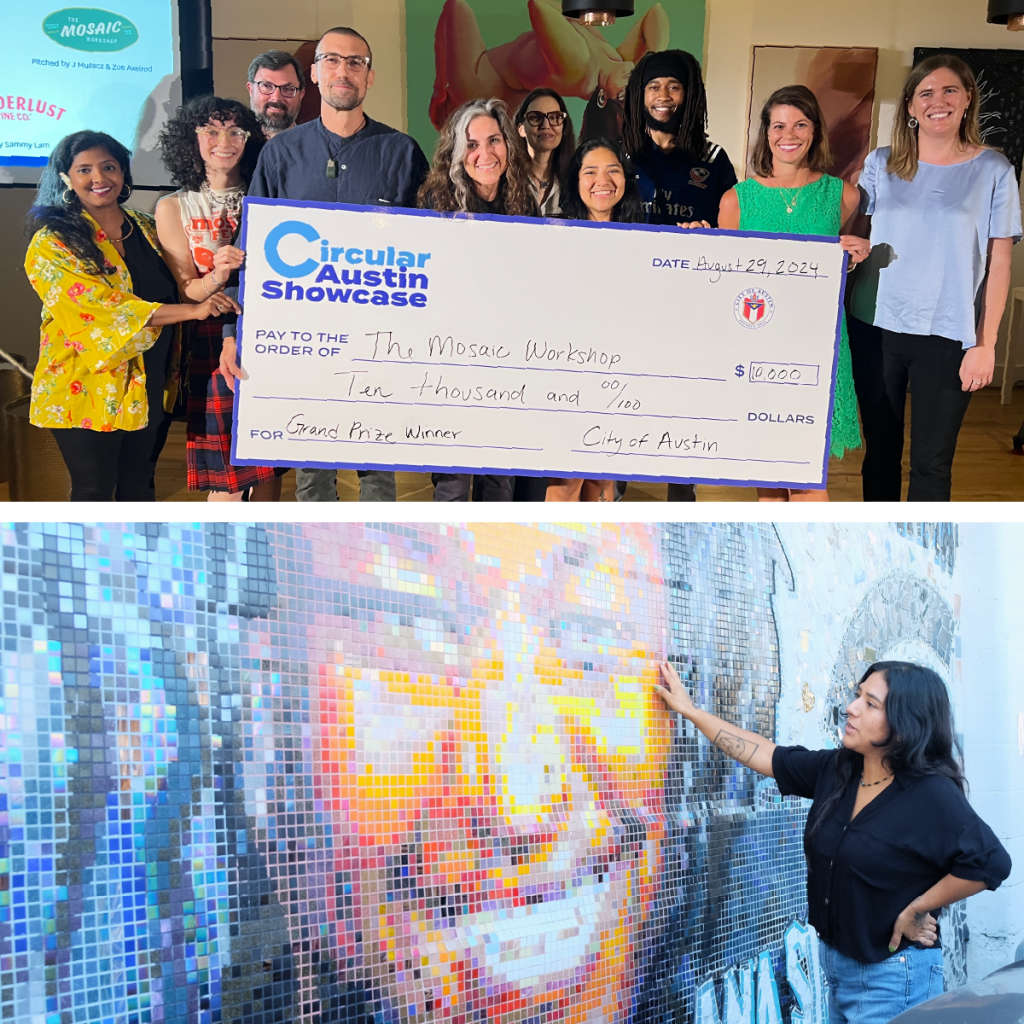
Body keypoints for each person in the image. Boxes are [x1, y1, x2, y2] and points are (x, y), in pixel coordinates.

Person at [654, 658, 1011, 1024]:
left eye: (870, 704)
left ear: (904, 727)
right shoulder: (839, 770)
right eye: (858, 696)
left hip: (894, 977)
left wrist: (918, 907)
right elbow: (763, 753)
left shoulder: (930, 794)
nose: (851, 709)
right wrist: (691, 712)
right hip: (838, 970)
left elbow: (990, 862)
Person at [231, 26, 429, 503]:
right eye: (333, 60)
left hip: (381, 340)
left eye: (356, 62)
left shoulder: (401, 151)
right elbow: (251, 248)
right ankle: (317, 559)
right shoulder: (281, 154)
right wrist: (231, 333)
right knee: (311, 473)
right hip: (306, 342)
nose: (344, 70)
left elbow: (428, 247)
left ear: (370, 76)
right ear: (316, 74)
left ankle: (377, 558)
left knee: (379, 470)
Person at [846, 54, 1022, 502]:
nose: (936, 101)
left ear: (967, 100)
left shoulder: (994, 170)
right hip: (875, 326)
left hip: (948, 334)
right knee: (880, 453)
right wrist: (845, 249)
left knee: (932, 462)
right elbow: (857, 237)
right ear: (909, 105)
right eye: (925, 92)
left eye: (949, 91)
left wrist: (987, 344)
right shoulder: (880, 164)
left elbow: (999, 264)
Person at [23, 130, 235, 501]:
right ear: (66, 179)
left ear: (123, 173)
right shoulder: (52, 241)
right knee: (95, 490)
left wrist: (217, 279)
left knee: (140, 485)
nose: (99, 178)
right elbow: (103, 311)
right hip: (88, 384)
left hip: (152, 379)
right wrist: (194, 311)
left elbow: (183, 282)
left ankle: (139, 559)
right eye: (84, 169)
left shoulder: (147, 227)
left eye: (109, 167)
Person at [718, 85, 867, 501]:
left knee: (806, 482)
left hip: (815, 348)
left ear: (816, 131)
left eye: (801, 124)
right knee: (767, 482)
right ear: (765, 133)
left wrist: (852, 253)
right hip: (759, 346)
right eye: (779, 125)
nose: (790, 134)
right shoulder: (736, 200)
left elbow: (849, 258)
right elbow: (727, 281)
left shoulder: (843, 196)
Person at [622, 49, 737, 502]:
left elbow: (733, 227)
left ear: (689, 94)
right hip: (630, 300)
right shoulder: (621, 154)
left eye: (673, 86)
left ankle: (681, 489)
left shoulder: (712, 159)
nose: (663, 96)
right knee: (627, 394)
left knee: (682, 399)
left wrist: (710, 234)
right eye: (653, 87)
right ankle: (617, 479)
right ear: (639, 95)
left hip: (691, 303)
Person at [155, 95, 281, 502]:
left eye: (234, 131)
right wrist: (220, 276)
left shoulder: (270, 195)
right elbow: (186, 289)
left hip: (269, 332)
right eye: (210, 131)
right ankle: (218, 559)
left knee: (267, 468)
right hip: (210, 336)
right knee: (226, 478)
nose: (223, 140)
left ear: (249, 140)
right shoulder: (173, 206)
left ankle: (268, 559)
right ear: (190, 139)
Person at [417, 97, 537, 502]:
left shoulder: (525, 201)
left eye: (494, 140)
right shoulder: (437, 201)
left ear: (508, 145)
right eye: (471, 144)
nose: (485, 153)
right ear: (456, 152)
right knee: (452, 480)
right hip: (452, 360)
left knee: (499, 476)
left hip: (508, 360)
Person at [546, 138, 642, 502]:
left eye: (613, 170)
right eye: (591, 172)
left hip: (619, 380)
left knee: (602, 487)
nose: (603, 180)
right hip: (567, 376)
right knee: (564, 485)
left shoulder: (646, 240)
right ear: (576, 181)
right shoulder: (553, 236)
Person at [514, 88, 576, 216]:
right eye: (536, 117)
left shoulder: (576, 179)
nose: (546, 125)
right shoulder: (507, 178)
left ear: (563, 127)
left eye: (554, 117)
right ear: (521, 129)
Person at [246, 49, 306, 137]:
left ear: (301, 95)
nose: (276, 98)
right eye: (266, 86)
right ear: (250, 89)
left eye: (288, 89)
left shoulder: (319, 147)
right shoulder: (231, 146)